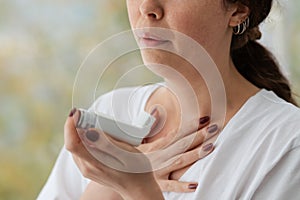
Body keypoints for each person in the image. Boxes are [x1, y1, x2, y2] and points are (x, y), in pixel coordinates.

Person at [38, 0, 300, 199]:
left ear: (237, 11)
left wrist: (138, 190)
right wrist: (105, 187)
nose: (147, 7)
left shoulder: (287, 144)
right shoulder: (111, 111)